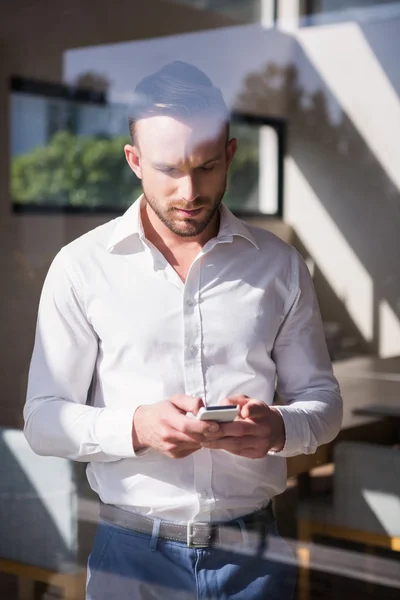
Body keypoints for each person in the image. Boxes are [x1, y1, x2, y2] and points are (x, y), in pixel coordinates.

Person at [24, 61, 343, 600]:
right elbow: (42, 419)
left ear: (231, 157)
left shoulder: (279, 266)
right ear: (134, 161)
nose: (189, 191)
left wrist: (279, 429)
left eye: (207, 167)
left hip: (256, 561)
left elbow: (324, 403)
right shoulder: (82, 267)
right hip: (131, 558)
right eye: (169, 170)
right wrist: (137, 429)